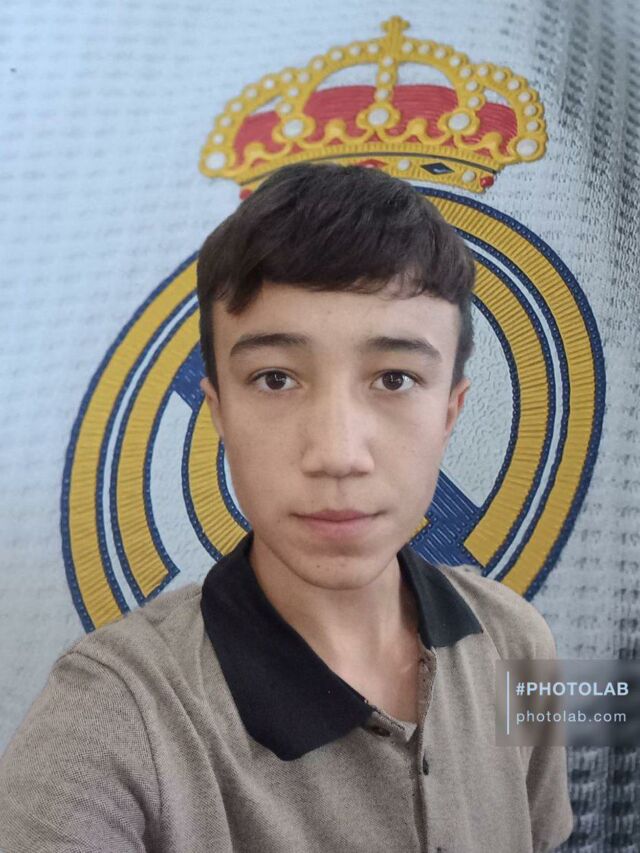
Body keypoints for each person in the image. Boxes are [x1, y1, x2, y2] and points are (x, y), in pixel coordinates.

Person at [0, 162, 574, 852]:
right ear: (219, 410)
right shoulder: (116, 710)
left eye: (395, 378)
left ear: (450, 412)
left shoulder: (517, 642)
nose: (337, 453)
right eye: (275, 378)